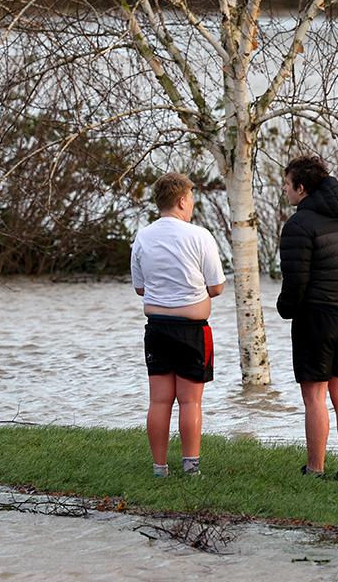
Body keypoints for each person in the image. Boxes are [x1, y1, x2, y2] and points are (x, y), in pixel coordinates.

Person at [276, 155, 338, 481]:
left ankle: (315, 469)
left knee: (314, 397)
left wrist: (285, 308)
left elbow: (296, 282)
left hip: (315, 321)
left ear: (301, 188)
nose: (285, 191)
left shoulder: (299, 225)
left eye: (287, 185)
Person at [131, 172, 226, 477]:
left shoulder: (142, 237)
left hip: (156, 328)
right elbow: (217, 287)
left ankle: (160, 467)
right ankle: (191, 466)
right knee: (189, 402)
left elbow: (140, 288)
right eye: (192, 199)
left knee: (159, 400)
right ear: (183, 200)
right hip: (191, 331)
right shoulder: (200, 236)